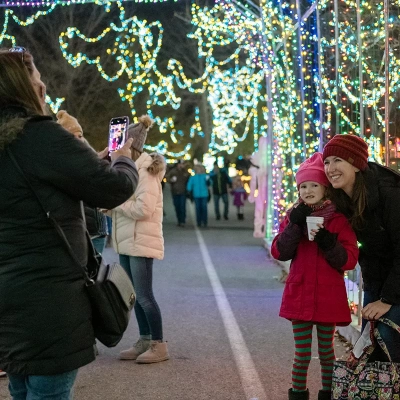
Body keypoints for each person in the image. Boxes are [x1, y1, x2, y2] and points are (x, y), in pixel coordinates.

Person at [0, 47, 138, 399]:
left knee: (20, 386)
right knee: (47, 392)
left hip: (7, 299)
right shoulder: (39, 135)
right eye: (36, 75)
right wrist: (123, 159)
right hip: (48, 300)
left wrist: (94, 160)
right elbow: (113, 189)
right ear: (24, 84)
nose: (42, 82)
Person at [271, 153, 359, 400]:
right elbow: (280, 251)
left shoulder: (339, 219)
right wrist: (293, 227)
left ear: (325, 188)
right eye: (303, 186)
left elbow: (350, 258)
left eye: (314, 185)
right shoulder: (294, 215)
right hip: (300, 295)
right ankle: (298, 393)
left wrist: (329, 243)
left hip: (327, 297)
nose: (308, 190)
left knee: (327, 352)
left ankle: (328, 393)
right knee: (301, 354)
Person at [323, 134, 400, 363]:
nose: (331, 168)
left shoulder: (390, 193)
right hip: (379, 276)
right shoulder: (341, 197)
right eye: (327, 162)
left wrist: (386, 300)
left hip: (396, 276)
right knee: (369, 343)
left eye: (338, 160)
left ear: (356, 165)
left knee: (387, 335)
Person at [110, 115, 169, 364]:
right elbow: (126, 203)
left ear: (131, 146)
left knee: (145, 295)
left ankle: (158, 344)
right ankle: (144, 339)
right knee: (133, 296)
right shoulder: (128, 169)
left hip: (141, 241)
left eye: (119, 146)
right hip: (126, 240)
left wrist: (117, 202)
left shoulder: (146, 171)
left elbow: (143, 209)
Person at [56, 110, 109, 254]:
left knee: (96, 273)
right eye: (73, 136)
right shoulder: (56, 163)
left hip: (96, 231)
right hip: (74, 234)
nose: (78, 139)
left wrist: (101, 163)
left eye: (80, 135)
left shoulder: (90, 157)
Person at [166, 160, 190, 227]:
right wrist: (170, 180)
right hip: (175, 191)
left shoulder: (185, 172)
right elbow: (167, 177)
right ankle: (179, 220)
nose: (181, 165)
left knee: (182, 206)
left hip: (183, 192)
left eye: (182, 164)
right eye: (180, 164)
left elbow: (188, 179)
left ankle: (182, 221)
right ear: (178, 164)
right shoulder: (173, 171)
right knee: (177, 206)